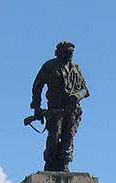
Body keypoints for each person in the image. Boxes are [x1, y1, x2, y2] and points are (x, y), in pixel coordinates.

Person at [30, 41, 90, 172]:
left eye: (72, 52)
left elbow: (85, 89)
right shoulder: (50, 66)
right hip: (55, 109)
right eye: (68, 51)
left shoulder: (76, 69)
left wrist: (77, 96)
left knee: (68, 137)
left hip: (72, 110)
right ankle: (50, 162)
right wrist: (37, 107)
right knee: (54, 137)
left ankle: (64, 163)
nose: (71, 54)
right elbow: (37, 86)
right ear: (60, 52)